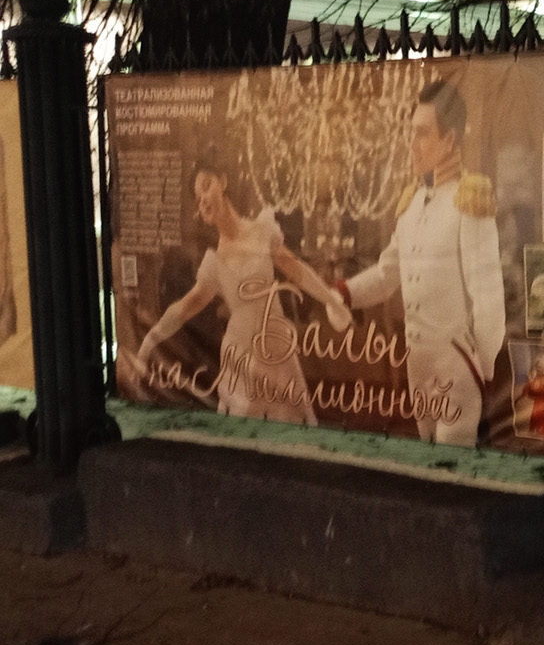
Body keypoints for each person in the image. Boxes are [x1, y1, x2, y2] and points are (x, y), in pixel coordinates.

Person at [336, 78, 505, 445]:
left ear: (450, 140)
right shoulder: (412, 204)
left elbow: (488, 295)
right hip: (418, 368)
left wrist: (484, 368)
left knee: (450, 465)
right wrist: (345, 293)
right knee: (428, 461)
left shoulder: (469, 201)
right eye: (411, 132)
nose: (411, 144)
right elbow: (387, 274)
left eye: (422, 133)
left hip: (455, 366)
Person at [128, 152, 352, 424]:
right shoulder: (214, 262)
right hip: (242, 354)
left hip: (276, 346)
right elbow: (184, 307)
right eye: (198, 199)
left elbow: (297, 270)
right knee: (246, 425)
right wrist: (149, 341)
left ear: (222, 182)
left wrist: (332, 300)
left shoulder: (262, 229)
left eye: (207, 186)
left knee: (288, 425)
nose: (203, 200)